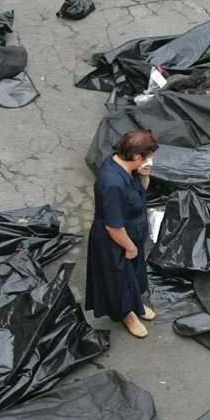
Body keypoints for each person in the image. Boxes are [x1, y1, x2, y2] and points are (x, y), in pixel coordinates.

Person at [85, 129, 159, 338]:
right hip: (116, 238)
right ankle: (127, 314)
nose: (150, 160)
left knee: (133, 272)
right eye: (149, 157)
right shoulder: (113, 184)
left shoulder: (129, 168)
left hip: (133, 230)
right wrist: (129, 246)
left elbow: (141, 192)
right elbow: (113, 226)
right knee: (119, 278)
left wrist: (145, 176)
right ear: (137, 157)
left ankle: (136, 304)